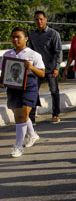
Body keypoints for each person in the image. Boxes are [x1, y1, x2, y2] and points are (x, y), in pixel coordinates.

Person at [3, 27, 45, 158]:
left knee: (21, 115)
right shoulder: (7, 55)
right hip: (13, 87)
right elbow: (4, 72)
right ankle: (32, 134)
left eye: (18, 37)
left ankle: (18, 146)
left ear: (26, 38)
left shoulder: (34, 55)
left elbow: (42, 73)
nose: (15, 39)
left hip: (29, 86)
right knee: (18, 114)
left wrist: (31, 67)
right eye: (13, 37)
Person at [28, 11, 62, 124]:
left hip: (51, 67)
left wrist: (57, 67)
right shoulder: (32, 35)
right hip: (37, 69)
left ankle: (56, 114)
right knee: (33, 91)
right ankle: (32, 116)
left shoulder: (53, 34)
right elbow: (30, 51)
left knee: (54, 91)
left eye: (41, 19)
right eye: (37, 19)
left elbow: (58, 52)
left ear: (46, 19)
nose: (39, 21)